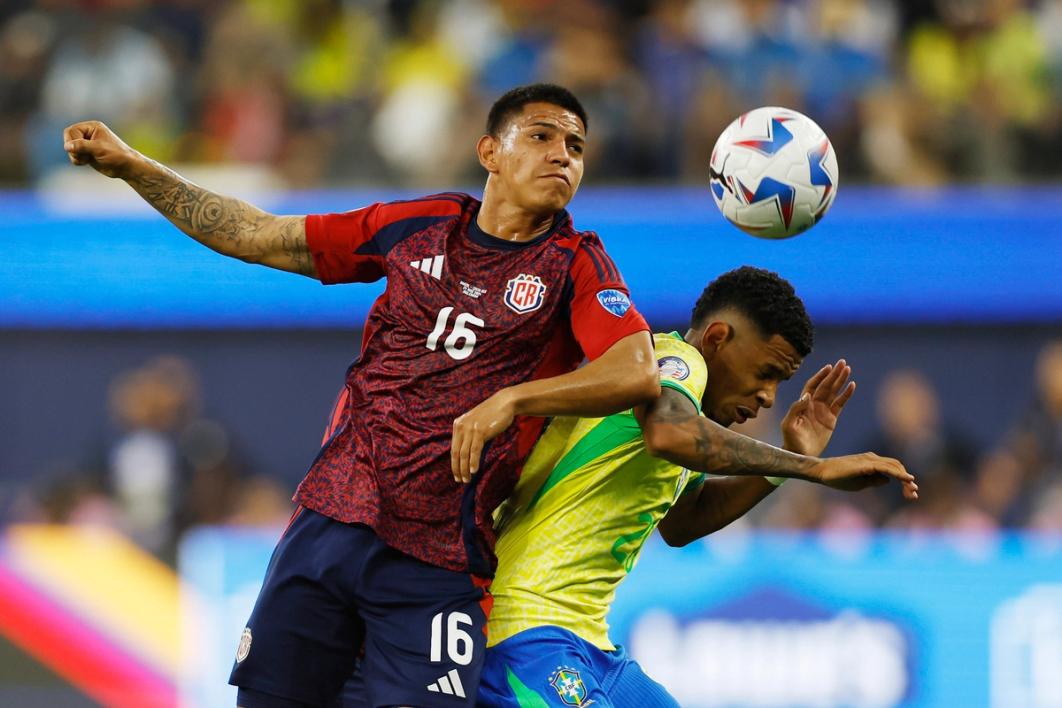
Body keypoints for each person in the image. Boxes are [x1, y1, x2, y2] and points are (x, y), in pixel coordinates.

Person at [63, 83, 660, 707]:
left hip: (438, 559)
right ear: (490, 151)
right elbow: (254, 234)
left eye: (576, 146)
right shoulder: (419, 227)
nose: (562, 154)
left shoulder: (575, 262)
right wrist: (132, 165)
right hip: (329, 523)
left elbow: (635, 368)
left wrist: (514, 400)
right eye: (541, 136)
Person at [479, 266, 918, 707]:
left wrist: (781, 467)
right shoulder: (675, 363)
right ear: (717, 339)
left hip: (586, 640)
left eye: (779, 382)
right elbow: (668, 433)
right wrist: (812, 468)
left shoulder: (689, 416)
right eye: (764, 372)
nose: (768, 396)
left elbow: (682, 524)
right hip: (524, 628)